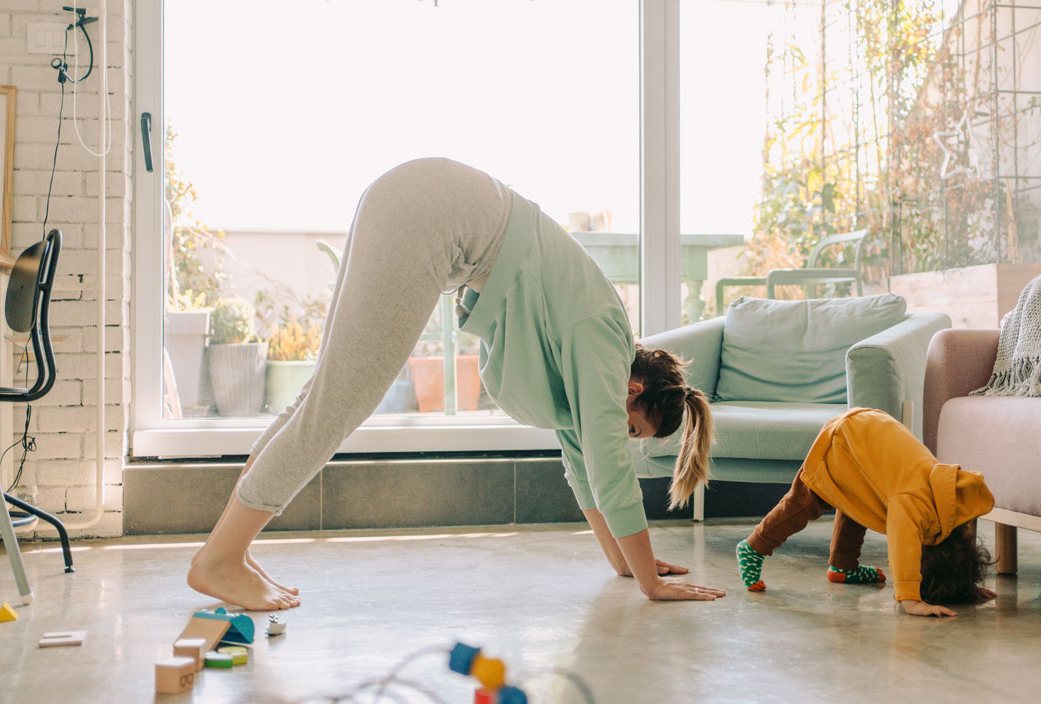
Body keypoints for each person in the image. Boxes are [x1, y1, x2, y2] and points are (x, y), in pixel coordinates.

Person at [186, 158, 723, 610]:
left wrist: (628, 563)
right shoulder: (602, 334)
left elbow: (583, 461)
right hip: (426, 217)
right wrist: (651, 583)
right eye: (631, 428)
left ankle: (229, 549)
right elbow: (605, 464)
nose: (618, 432)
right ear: (633, 390)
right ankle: (222, 558)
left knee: (322, 395)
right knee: (338, 403)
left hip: (414, 200)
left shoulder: (591, 333)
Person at [735, 407, 995, 617]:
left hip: (870, 428)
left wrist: (966, 587)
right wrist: (911, 599)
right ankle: (753, 546)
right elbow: (904, 545)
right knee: (805, 502)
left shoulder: (950, 498)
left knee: (864, 500)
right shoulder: (913, 504)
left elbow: (965, 532)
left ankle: (843, 566)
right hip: (843, 438)